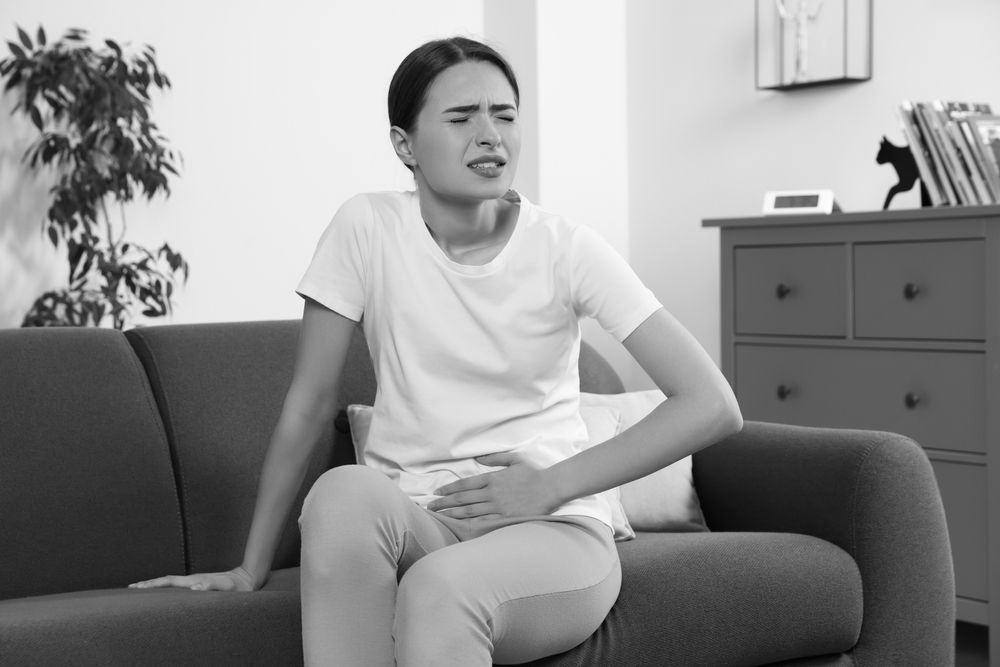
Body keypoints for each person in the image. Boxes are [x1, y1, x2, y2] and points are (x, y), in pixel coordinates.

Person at [129, 36, 743, 665]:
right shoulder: (365, 227)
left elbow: (711, 404)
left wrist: (549, 487)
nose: (490, 135)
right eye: (461, 117)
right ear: (404, 145)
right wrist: (249, 567)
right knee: (343, 492)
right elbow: (308, 404)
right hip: (420, 522)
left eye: (504, 115)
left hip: (552, 531)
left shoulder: (566, 248)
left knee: (439, 589)